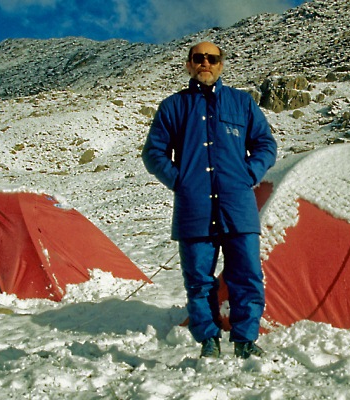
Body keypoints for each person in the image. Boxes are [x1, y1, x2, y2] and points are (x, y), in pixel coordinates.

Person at [142, 41, 277, 359]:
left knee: (246, 275)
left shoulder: (242, 103)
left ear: (221, 65)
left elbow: (265, 144)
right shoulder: (173, 107)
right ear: (189, 65)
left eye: (212, 58)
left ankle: (245, 339)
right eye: (198, 58)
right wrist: (180, 181)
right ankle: (208, 340)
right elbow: (153, 152)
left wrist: (248, 174)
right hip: (194, 210)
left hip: (238, 207)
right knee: (199, 279)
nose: (206, 63)